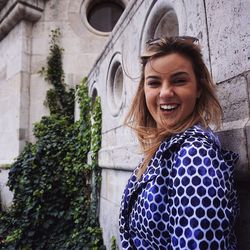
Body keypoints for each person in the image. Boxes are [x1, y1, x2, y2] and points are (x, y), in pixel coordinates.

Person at [119, 36, 239, 250]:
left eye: (179, 80)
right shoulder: (168, 144)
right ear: (144, 90)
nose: (165, 93)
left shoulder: (194, 155)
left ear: (198, 88)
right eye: (154, 82)